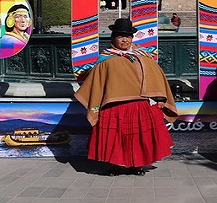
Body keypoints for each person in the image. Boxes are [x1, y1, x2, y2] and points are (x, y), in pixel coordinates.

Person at [74, 18, 178, 176]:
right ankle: (116, 166)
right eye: (121, 36)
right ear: (113, 38)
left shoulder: (142, 56)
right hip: (114, 107)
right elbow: (96, 83)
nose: (125, 39)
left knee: (137, 138)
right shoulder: (105, 59)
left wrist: (160, 97)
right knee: (116, 137)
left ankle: (136, 165)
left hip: (139, 105)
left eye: (128, 36)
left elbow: (156, 76)